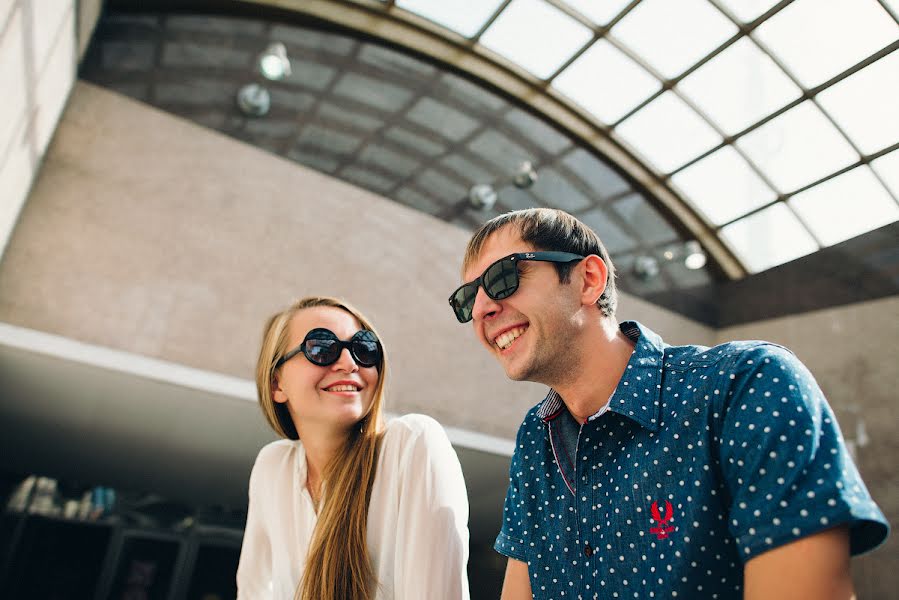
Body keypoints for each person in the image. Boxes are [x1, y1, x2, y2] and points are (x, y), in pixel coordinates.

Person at [448, 208, 888, 600]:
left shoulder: (746, 384)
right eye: (468, 299)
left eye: (504, 278)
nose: (484, 307)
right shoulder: (537, 436)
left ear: (588, 280)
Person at [237, 296, 470, 600]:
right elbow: (253, 592)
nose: (349, 363)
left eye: (363, 348)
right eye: (321, 347)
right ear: (277, 384)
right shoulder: (273, 467)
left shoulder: (413, 444)